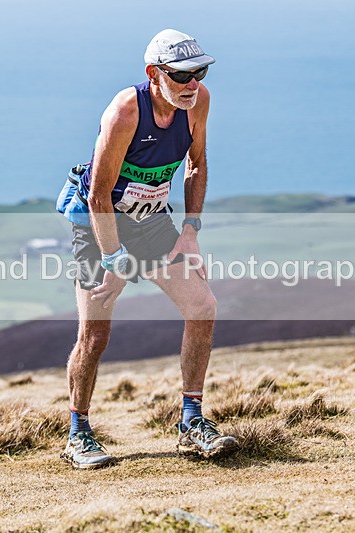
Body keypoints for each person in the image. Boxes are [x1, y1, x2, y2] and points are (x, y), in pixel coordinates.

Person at [56, 29, 238, 469]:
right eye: (181, 76)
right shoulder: (125, 111)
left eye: (200, 72)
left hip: (152, 219)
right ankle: (78, 433)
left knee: (203, 306)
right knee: (95, 330)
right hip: (98, 221)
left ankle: (192, 422)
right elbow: (99, 195)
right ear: (153, 74)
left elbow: (196, 164)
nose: (192, 83)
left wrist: (191, 232)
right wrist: (115, 259)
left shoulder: (198, 102)